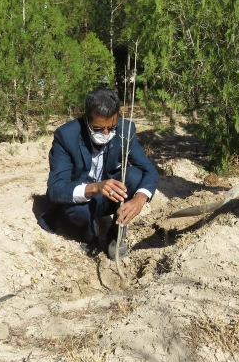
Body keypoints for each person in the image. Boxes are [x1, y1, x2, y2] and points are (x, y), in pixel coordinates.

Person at [44, 87, 158, 259]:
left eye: (111, 127)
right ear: (85, 119)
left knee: (134, 175)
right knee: (80, 214)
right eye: (98, 129)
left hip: (111, 197)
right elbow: (56, 189)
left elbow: (148, 169)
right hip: (82, 201)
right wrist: (95, 188)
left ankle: (116, 233)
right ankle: (89, 235)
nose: (106, 134)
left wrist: (140, 199)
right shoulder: (66, 136)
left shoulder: (125, 131)